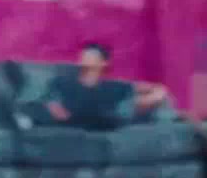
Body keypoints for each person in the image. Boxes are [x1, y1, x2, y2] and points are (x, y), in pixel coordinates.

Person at [19, 42, 171, 131]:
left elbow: (155, 90)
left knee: (124, 107)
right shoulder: (63, 82)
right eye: (84, 55)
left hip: (105, 119)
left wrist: (157, 93)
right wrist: (51, 105)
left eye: (91, 54)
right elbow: (48, 98)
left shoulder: (115, 87)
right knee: (36, 106)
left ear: (104, 62)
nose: (85, 57)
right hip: (67, 120)